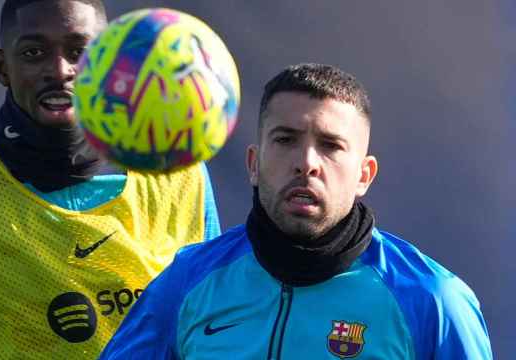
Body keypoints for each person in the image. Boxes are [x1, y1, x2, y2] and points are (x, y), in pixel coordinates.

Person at [0, 0, 221, 359]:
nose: (60, 71)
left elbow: (215, 333)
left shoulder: (179, 175)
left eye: (80, 51)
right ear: (2, 67)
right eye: (34, 52)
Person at [99, 63, 493, 359]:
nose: (306, 162)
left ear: (364, 175)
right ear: (253, 163)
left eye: (330, 145)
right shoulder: (188, 281)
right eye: (286, 139)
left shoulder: (434, 300)